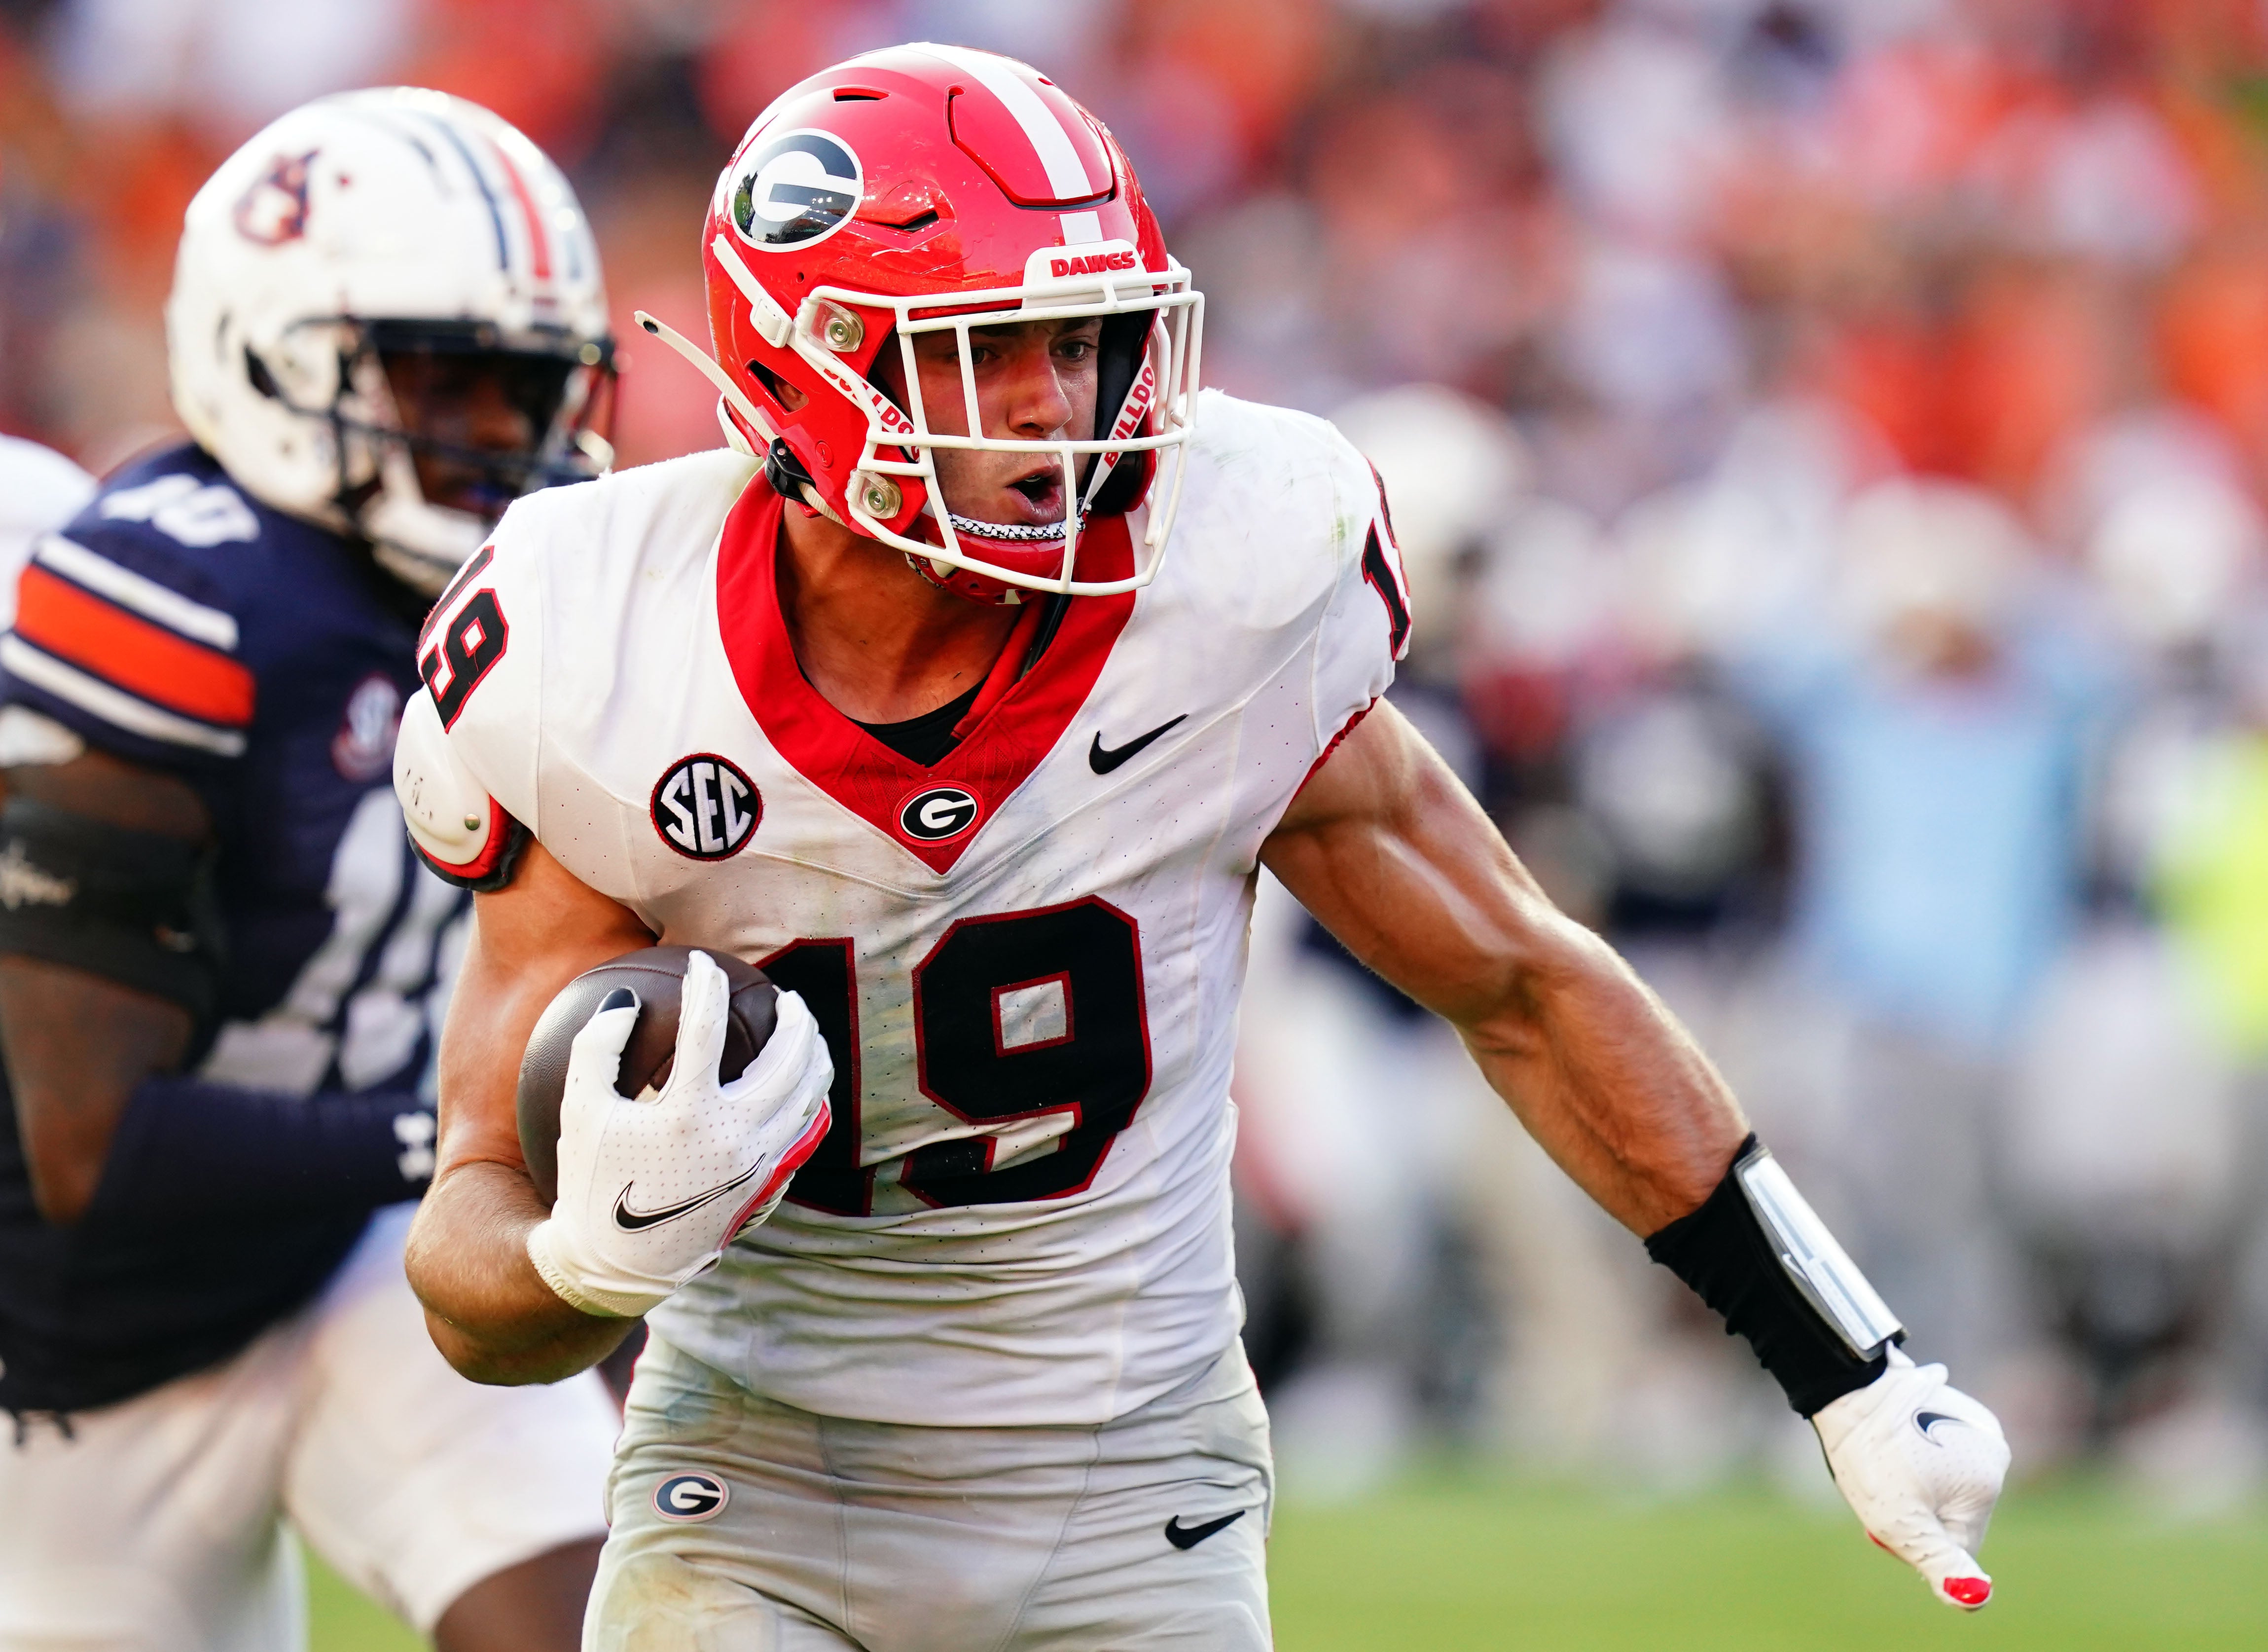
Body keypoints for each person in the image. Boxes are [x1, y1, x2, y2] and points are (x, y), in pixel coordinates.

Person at [397, 45, 2011, 1649]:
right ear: (814, 370)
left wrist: (1857, 1372)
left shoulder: (1226, 584)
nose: (1060, 406)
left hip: (1129, 1493)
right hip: (754, 1479)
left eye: (1086, 341)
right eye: (990, 354)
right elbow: (469, 1258)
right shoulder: (600, 643)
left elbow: (1521, 983)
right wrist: (585, 1263)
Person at [0, 89, 622, 1652]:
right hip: (73, 1369)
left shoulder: (541, 580)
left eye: (526, 385)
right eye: (448, 377)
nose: (498, 433)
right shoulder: (174, 596)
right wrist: (463, 1135)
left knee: (622, 1627)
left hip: (348, 1258)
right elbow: (90, 1147)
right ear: (277, 354)